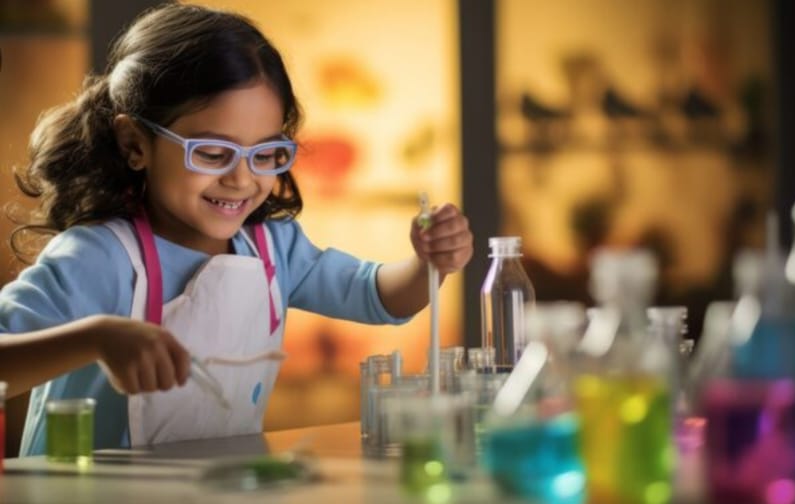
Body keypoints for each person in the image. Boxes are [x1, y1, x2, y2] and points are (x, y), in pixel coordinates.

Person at [0, 3, 473, 456]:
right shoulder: (98, 256)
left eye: (265, 154)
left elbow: (379, 297)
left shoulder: (273, 249)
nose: (242, 179)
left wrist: (427, 264)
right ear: (134, 144)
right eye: (211, 153)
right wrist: (97, 338)